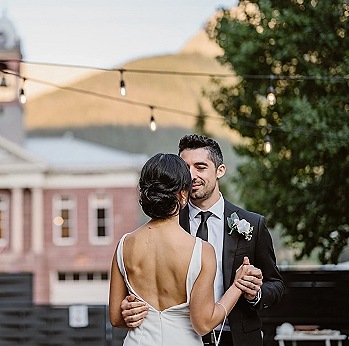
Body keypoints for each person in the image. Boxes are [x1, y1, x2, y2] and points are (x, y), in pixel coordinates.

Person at [121, 135, 285, 346]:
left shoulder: (252, 224)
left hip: (237, 338)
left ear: (220, 171)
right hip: (183, 337)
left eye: (200, 167)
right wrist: (128, 306)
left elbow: (277, 284)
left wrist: (256, 294)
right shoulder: (164, 224)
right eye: (185, 167)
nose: (191, 175)